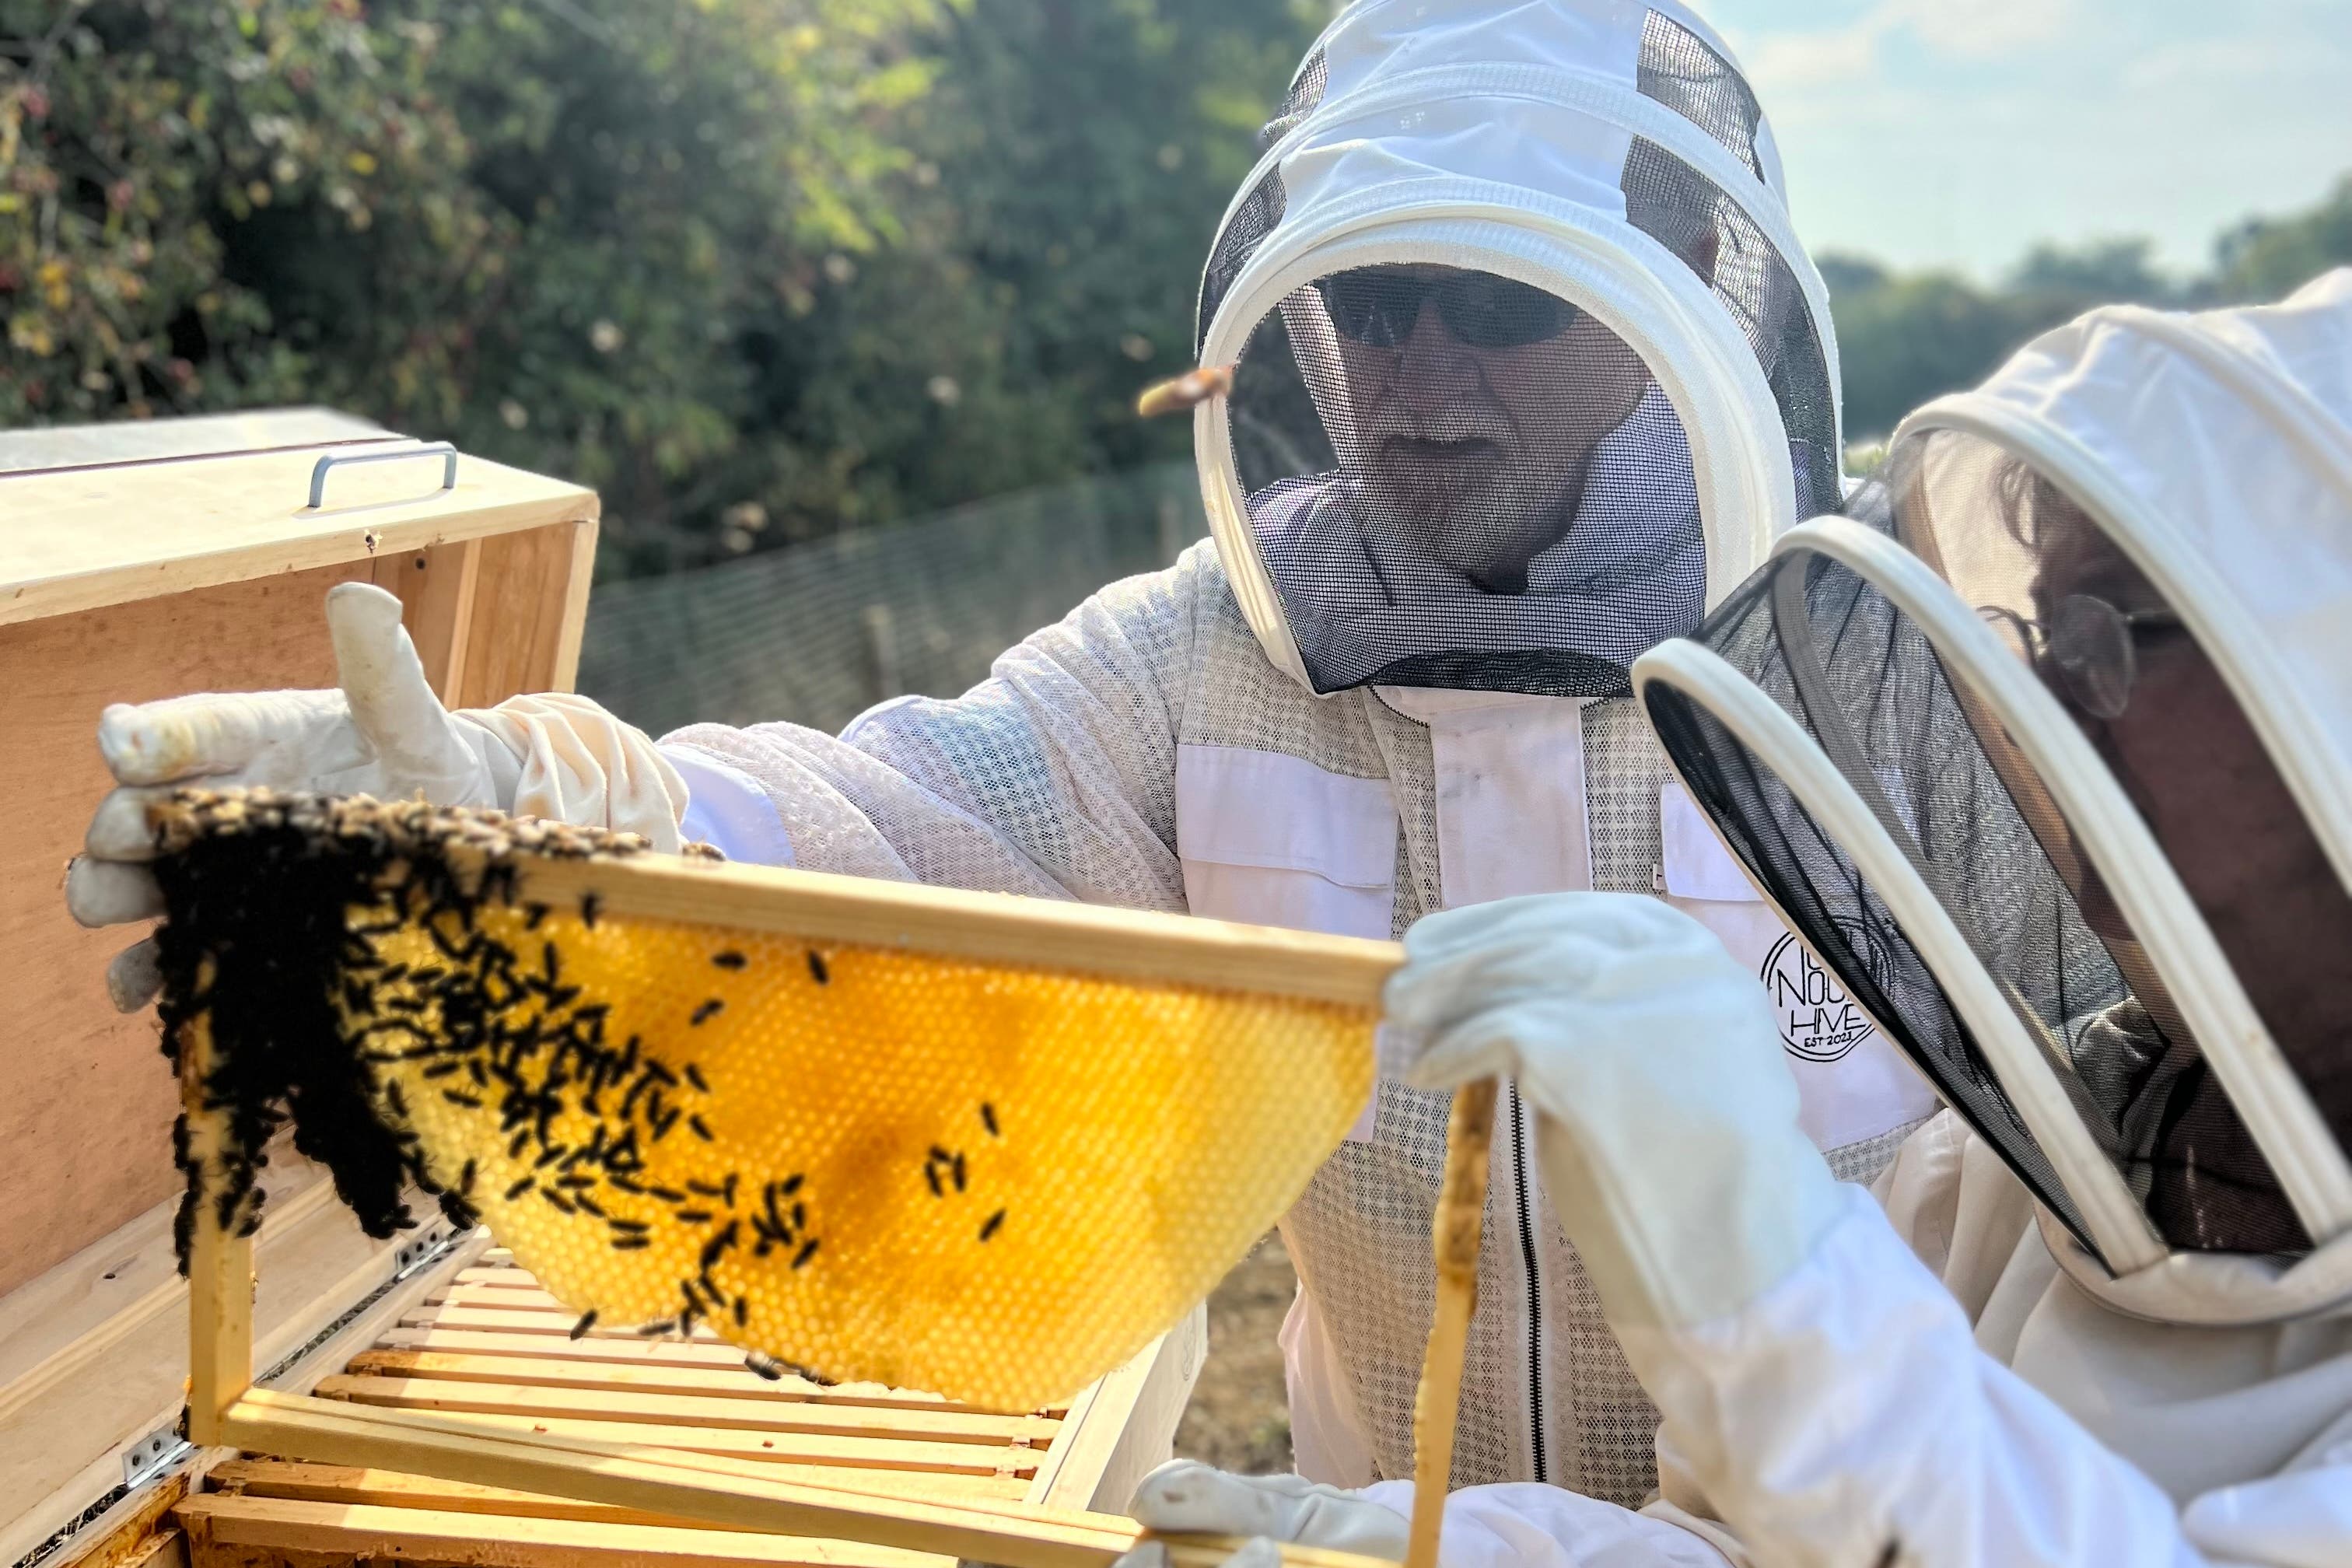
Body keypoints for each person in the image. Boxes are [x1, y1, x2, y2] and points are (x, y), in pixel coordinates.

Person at [64, 0, 1934, 1510]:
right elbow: (884, 827)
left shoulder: (1907, 687)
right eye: (1368, 302)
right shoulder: (1211, 654)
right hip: (1379, 1524)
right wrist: (517, 806)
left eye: (1505, 302)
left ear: (1690, 267)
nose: (1420, 374)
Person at [1115, 273, 2352, 1566]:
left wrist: (1764, 1274)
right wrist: (1388, 1548)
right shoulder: (2025, 1168)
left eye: (2116, 635)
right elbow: (1750, 1544)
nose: (2032, 711)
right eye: (2038, 636)